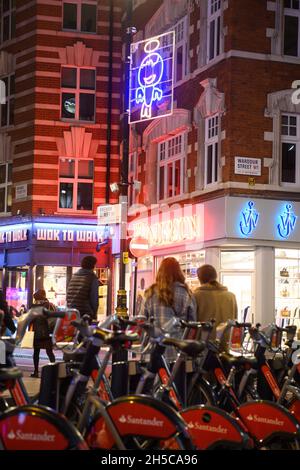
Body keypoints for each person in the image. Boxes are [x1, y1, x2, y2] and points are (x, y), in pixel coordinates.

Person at [141, 257, 197, 360]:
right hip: (178, 348)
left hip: (154, 347)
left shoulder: (150, 292)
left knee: (153, 374)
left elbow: (143, 320)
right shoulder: (186, 293)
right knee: (176, 375)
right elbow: (192, 324)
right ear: (178, 272)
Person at [194, 264, 237, 348]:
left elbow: (193, 321)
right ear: (215, 276)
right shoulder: (231, 296)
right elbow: (234, 320)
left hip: (203, 345)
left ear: (200, 278)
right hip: (225, 344)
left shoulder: (196, 296)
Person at [30, 289, 56, 378]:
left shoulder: (33, 307)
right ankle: (54, 371)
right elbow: (54, 317)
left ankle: (36, 372)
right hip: (47, 332)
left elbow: (30, 319)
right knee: (49, 352)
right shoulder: (49, 305)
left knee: (36, 352)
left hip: (37, 332)